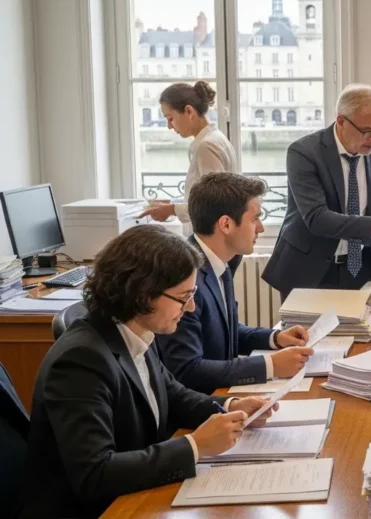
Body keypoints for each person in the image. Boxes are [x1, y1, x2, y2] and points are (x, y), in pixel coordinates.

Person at [20, 225, 277, 519]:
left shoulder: (137, 330)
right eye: (183, 297)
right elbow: (95, 473)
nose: (191, 307)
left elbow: (173, 395)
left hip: (133, 496)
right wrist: (195, 446)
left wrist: (231, 406)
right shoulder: (80, 362)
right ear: (143, 295)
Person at [157, 173, 313, 394]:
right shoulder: (184, 277)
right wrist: (270, 365)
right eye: (255, 219)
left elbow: (224, 330)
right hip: (201, 404)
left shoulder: (223, 260)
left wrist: (275, 338)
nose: (261, 228)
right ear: (226, 224)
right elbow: (187, 369)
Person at [262, 84, 371, 299]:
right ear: (341, 121)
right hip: (309, 270)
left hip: (359, 270)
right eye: (367, 131)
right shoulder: (304, 152)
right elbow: (317, 218)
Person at [140, 81, 237, 228]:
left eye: (170, 119)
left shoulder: (207, 146)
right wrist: (173, 204)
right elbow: (205, 198)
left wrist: (172, 209)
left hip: (211, 236)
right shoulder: (214, 138)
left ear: (189, 111)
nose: (169, 126)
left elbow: (213, 205)